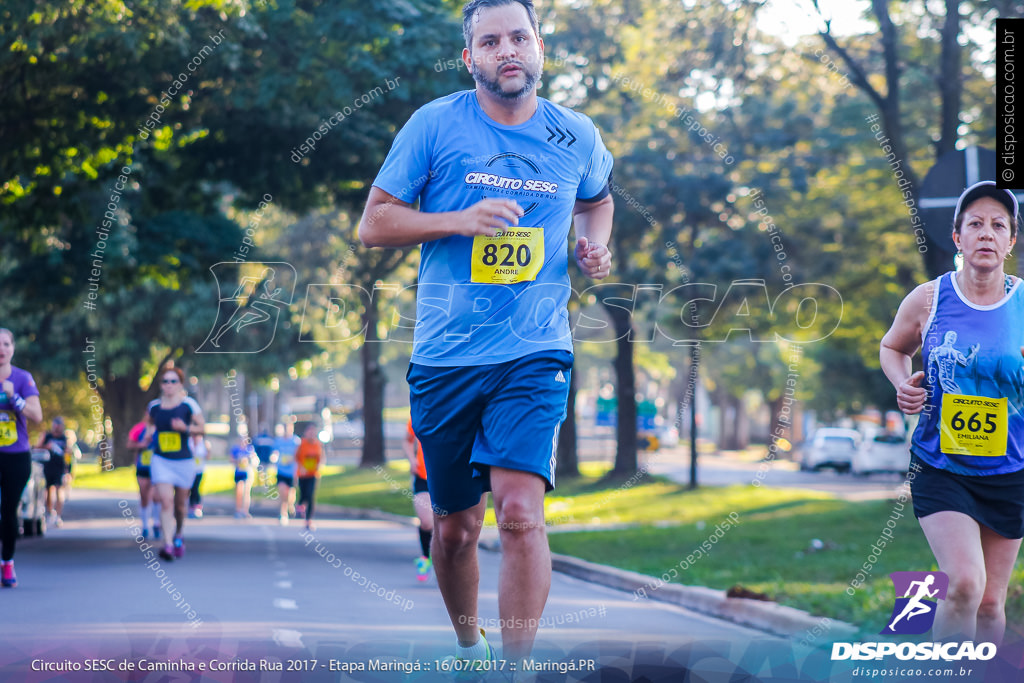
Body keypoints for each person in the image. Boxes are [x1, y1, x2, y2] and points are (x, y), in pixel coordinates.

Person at [358, 0, 614, 664]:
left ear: (539, 49)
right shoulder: (434, 126)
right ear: (470, 57)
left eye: (519, 38)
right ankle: (470, 648)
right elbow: (375, 223)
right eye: (491, 41)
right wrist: (459, 219)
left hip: (535, 351)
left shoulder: (576, 134)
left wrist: (593, 245)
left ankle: (515, 667)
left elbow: (597, 198)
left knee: (522, 513)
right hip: (445, 356)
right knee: (455, 529)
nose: (508, 50)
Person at [880, 180, 1024, 644]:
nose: (987, 233)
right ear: (958, 238)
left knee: (988, 605)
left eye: (998, 225)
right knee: (964, 584)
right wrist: (904, 383)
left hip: (1011, 468)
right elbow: (891, 347)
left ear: (1011, 240)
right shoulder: (929, 299)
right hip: (941, 464)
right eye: (975, 224)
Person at [143, 365, 204, 561]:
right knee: (166, 501)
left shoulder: (188, 405)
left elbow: (202, 428)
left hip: (184, 462)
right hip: (161, 460)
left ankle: (179, 534)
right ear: (161, 385)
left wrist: (185, 428)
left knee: (179, 505)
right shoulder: (154, 406)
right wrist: (148, 434)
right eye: (165, 381)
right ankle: (167, 544)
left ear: (180, 384)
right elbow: (148, 424)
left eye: (173, 381)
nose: (168, 385)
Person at [0, 328, 43, 587]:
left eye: (5, 344)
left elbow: (37, 415)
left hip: (16, 456)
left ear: (13, 349)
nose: (1, 349)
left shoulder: (22, 378)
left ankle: (7, 563)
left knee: (8, 511)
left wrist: (13, 397)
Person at [404, 417, 434, 581]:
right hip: (423, 475)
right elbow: (407, 441)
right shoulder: (419, 411)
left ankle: (443, 561)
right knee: (427, 521)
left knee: (444, 523)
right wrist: (412, 460)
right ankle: (425, 558)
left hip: (448, 476)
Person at [128, 417, 160, 539]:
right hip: (142, 466)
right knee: (144, 496)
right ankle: (145, 526)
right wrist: (141, 444)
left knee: (157, 496)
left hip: (157, 467)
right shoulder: (138, 429)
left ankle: (156, 523)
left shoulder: (160, 428)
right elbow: (129, 444)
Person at [37, 416, 69, 528]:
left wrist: (68, 469)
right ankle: (50, 512)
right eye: (55, 425)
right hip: (47, 466)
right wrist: (47, 446)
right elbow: (37, 447)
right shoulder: (47, 436)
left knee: (59, 490)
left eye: (59, 426)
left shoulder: (64, 438)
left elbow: (68, 453)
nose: (57, 428)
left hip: (59, 468)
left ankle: (58, 516)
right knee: (47, 491)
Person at [295, 424, 323, 531]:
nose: (311, 434)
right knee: (303, 494)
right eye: (309, 432)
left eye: (313, 432)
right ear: (306, 433)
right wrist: (301, 467)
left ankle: (308, 520)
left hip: (313, 474)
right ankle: (300, 506)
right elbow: (296, 457)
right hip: (302, 474)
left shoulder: (317, 444)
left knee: (310, 495)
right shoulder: (302, 444)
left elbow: (321, 457)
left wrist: (318, 466)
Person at [275, 427, 299, 525]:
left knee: (290, 493)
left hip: (292, 472)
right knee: (282, 491)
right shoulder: (278, 441)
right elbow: (274, 452)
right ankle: (283, 513)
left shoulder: (296, 441)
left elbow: (299, 455)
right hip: (281, 471)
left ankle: (290, 504)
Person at [230, 437, 255, 519]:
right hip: (238, 472)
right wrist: (238, 461)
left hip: (247, 472)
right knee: (238, 491)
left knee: (247, 492)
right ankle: (238, 510)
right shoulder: (236, 449)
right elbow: (231, 459)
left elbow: (254, 460)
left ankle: (245, 511)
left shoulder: (249, 449)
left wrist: (248, 460)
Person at [188, 434, 209, 519]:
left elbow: (207, 456)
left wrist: (208, 450)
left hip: (199, 470)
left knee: (196, 488)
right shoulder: (189, 442)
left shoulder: (203, 444)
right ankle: (191, 506)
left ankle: (197, 507)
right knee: (190, 488)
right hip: (190, 470)